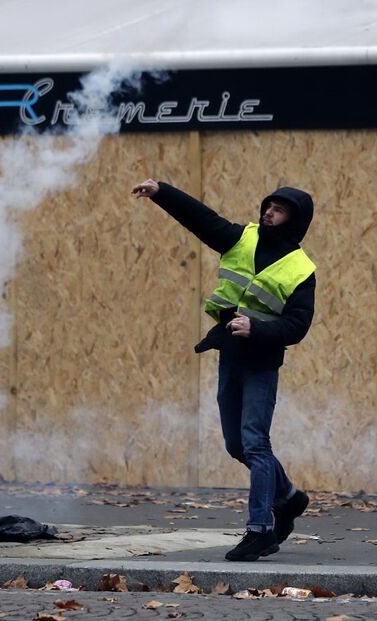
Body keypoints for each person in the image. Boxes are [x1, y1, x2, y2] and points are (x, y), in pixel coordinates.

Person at [132, 178, 316, 562]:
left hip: (262, 362)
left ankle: (259, 530)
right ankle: (289, 497)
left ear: (295, 220)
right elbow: (202, 219)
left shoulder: (301, 270)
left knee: (255, 443)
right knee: (236, 445)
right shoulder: (240, 238)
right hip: (229, 355)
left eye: (279, 209)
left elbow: (298, 325)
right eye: (268, 205)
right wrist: (162, 192)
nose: (269, 211)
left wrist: (258, 328)